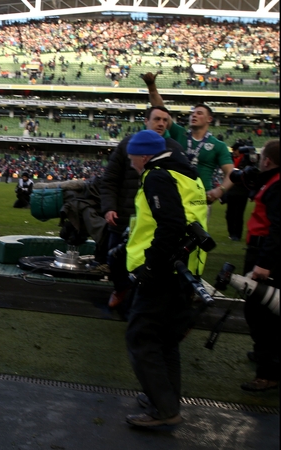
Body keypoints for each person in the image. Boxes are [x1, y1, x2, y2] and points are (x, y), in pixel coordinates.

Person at [123, 130, 207, 428]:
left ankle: (163, 408)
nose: (131, 163)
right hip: (185, 270)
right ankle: (166, 399)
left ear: (144, 155)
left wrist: (151, 266)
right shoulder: (188, 174)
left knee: (142, 338)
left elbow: (170, 225)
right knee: (167, 341)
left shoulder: (157, 177)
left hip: (163, 273)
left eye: (132, 157)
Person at [99, 106, 182, 309]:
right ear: (146, 121)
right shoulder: (127, 144)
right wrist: (109, 207)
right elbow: (110, 179)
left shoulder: (174, 148)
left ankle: (141, 299)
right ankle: (120, 288)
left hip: (153, 221)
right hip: (124, 216)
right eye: (157, 119)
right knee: (116, 258)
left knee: (150, 262)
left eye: (165, 120)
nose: (161, 123)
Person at [142, 72, 234, 208]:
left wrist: (219, 191)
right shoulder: (180, 134)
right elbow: (161, 111)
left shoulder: (218, 145)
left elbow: (231, 173)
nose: (194, 115)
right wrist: (152, 87)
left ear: (209, 119)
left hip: (199, 199)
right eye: (192, 113)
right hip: (174, 194)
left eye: (199, 113)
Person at [240, 139, 280, 392]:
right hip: (264, 250)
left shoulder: (277, 185)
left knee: (261, 315)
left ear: (267, 160)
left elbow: (278, 228)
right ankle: (266, 358)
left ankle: (269, 372)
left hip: (266, 253)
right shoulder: (273, 181)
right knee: (261, 313)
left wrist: (264, 263)